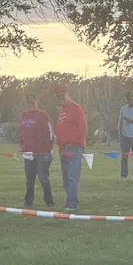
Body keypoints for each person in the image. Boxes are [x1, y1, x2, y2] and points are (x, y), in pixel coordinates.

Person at [54, 84, 87, 212]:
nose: (61, 97)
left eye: (63, 95)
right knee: (66, 177)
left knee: (72, 175)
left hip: (74, 147)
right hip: (63, 147)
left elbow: (82, 127)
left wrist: (72, 142)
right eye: (58, 95)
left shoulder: (76, 107)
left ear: (68, 94)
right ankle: (69, 201)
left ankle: (73, 204)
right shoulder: (61, 110)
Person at [19, 95, 54, 208]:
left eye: (33, 102)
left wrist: (47, 149)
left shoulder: (43, 115)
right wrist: (21, 144)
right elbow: (21, 132)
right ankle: (28, 202)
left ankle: (49, 202)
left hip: (42, 153)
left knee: (43, 178)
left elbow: (50, 132)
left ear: (36, 103)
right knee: (29, 179)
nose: (31, 105)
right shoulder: (23, 116)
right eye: (29, 103)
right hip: (28, 153)